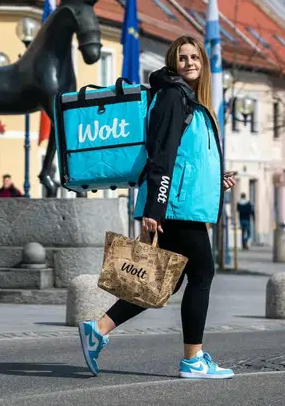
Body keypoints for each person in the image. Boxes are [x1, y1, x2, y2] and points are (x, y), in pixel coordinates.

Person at [77, 35, 237, 380]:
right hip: (174, 208)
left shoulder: (188, 99)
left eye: (195, 57)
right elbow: (162, 155)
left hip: (181, 204)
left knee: (162, 281)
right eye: (183, 57)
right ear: (173, 61)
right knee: (202, 274)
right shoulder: (172, 97)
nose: (190, 62)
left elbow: (188, 159)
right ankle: (193, 360)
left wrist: (215, 179)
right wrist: (155, 207)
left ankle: (99, 328)